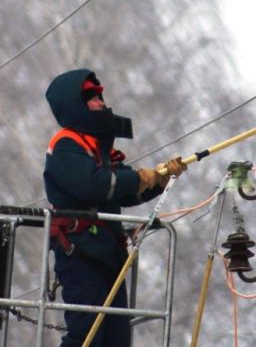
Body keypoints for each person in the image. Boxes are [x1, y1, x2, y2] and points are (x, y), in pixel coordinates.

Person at [44, 68, 186, 347]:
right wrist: (138, 177)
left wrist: (159, 179)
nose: (101, 102)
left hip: (108, 254)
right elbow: (95, 185)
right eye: (92, 98)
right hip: (80, 254)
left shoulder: (99, 150)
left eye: (100, 96)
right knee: (87, 335)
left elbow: (124, 193)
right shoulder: (65, 146)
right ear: (76, 106)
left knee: (117, 337)